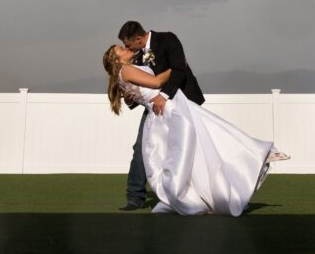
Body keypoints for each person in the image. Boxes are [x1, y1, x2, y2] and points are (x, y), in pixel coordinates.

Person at [102, 43, 289, 216]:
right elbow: (157, 82)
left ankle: (214, 185)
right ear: (116, 59)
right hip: (170, 109)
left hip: (160, 114)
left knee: (199, 145)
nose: (125, 48)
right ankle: (256, 153)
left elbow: (135, 95)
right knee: (210, 135)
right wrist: (176, 68)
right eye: (120, 49)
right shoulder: (126, 70)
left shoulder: (122, 74)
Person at [115, 20, 204, 210]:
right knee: (141, 147)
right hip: (154, 108)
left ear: (139, 39)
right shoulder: (136, 57)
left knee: (198, 147)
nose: (126, 48)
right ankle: (135, 196)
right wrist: (131, 99)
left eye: (128, 45)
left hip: (183, 102)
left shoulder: (168, 39)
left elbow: (180, 69)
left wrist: (164, 95)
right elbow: (141, 88)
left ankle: (207, 191)